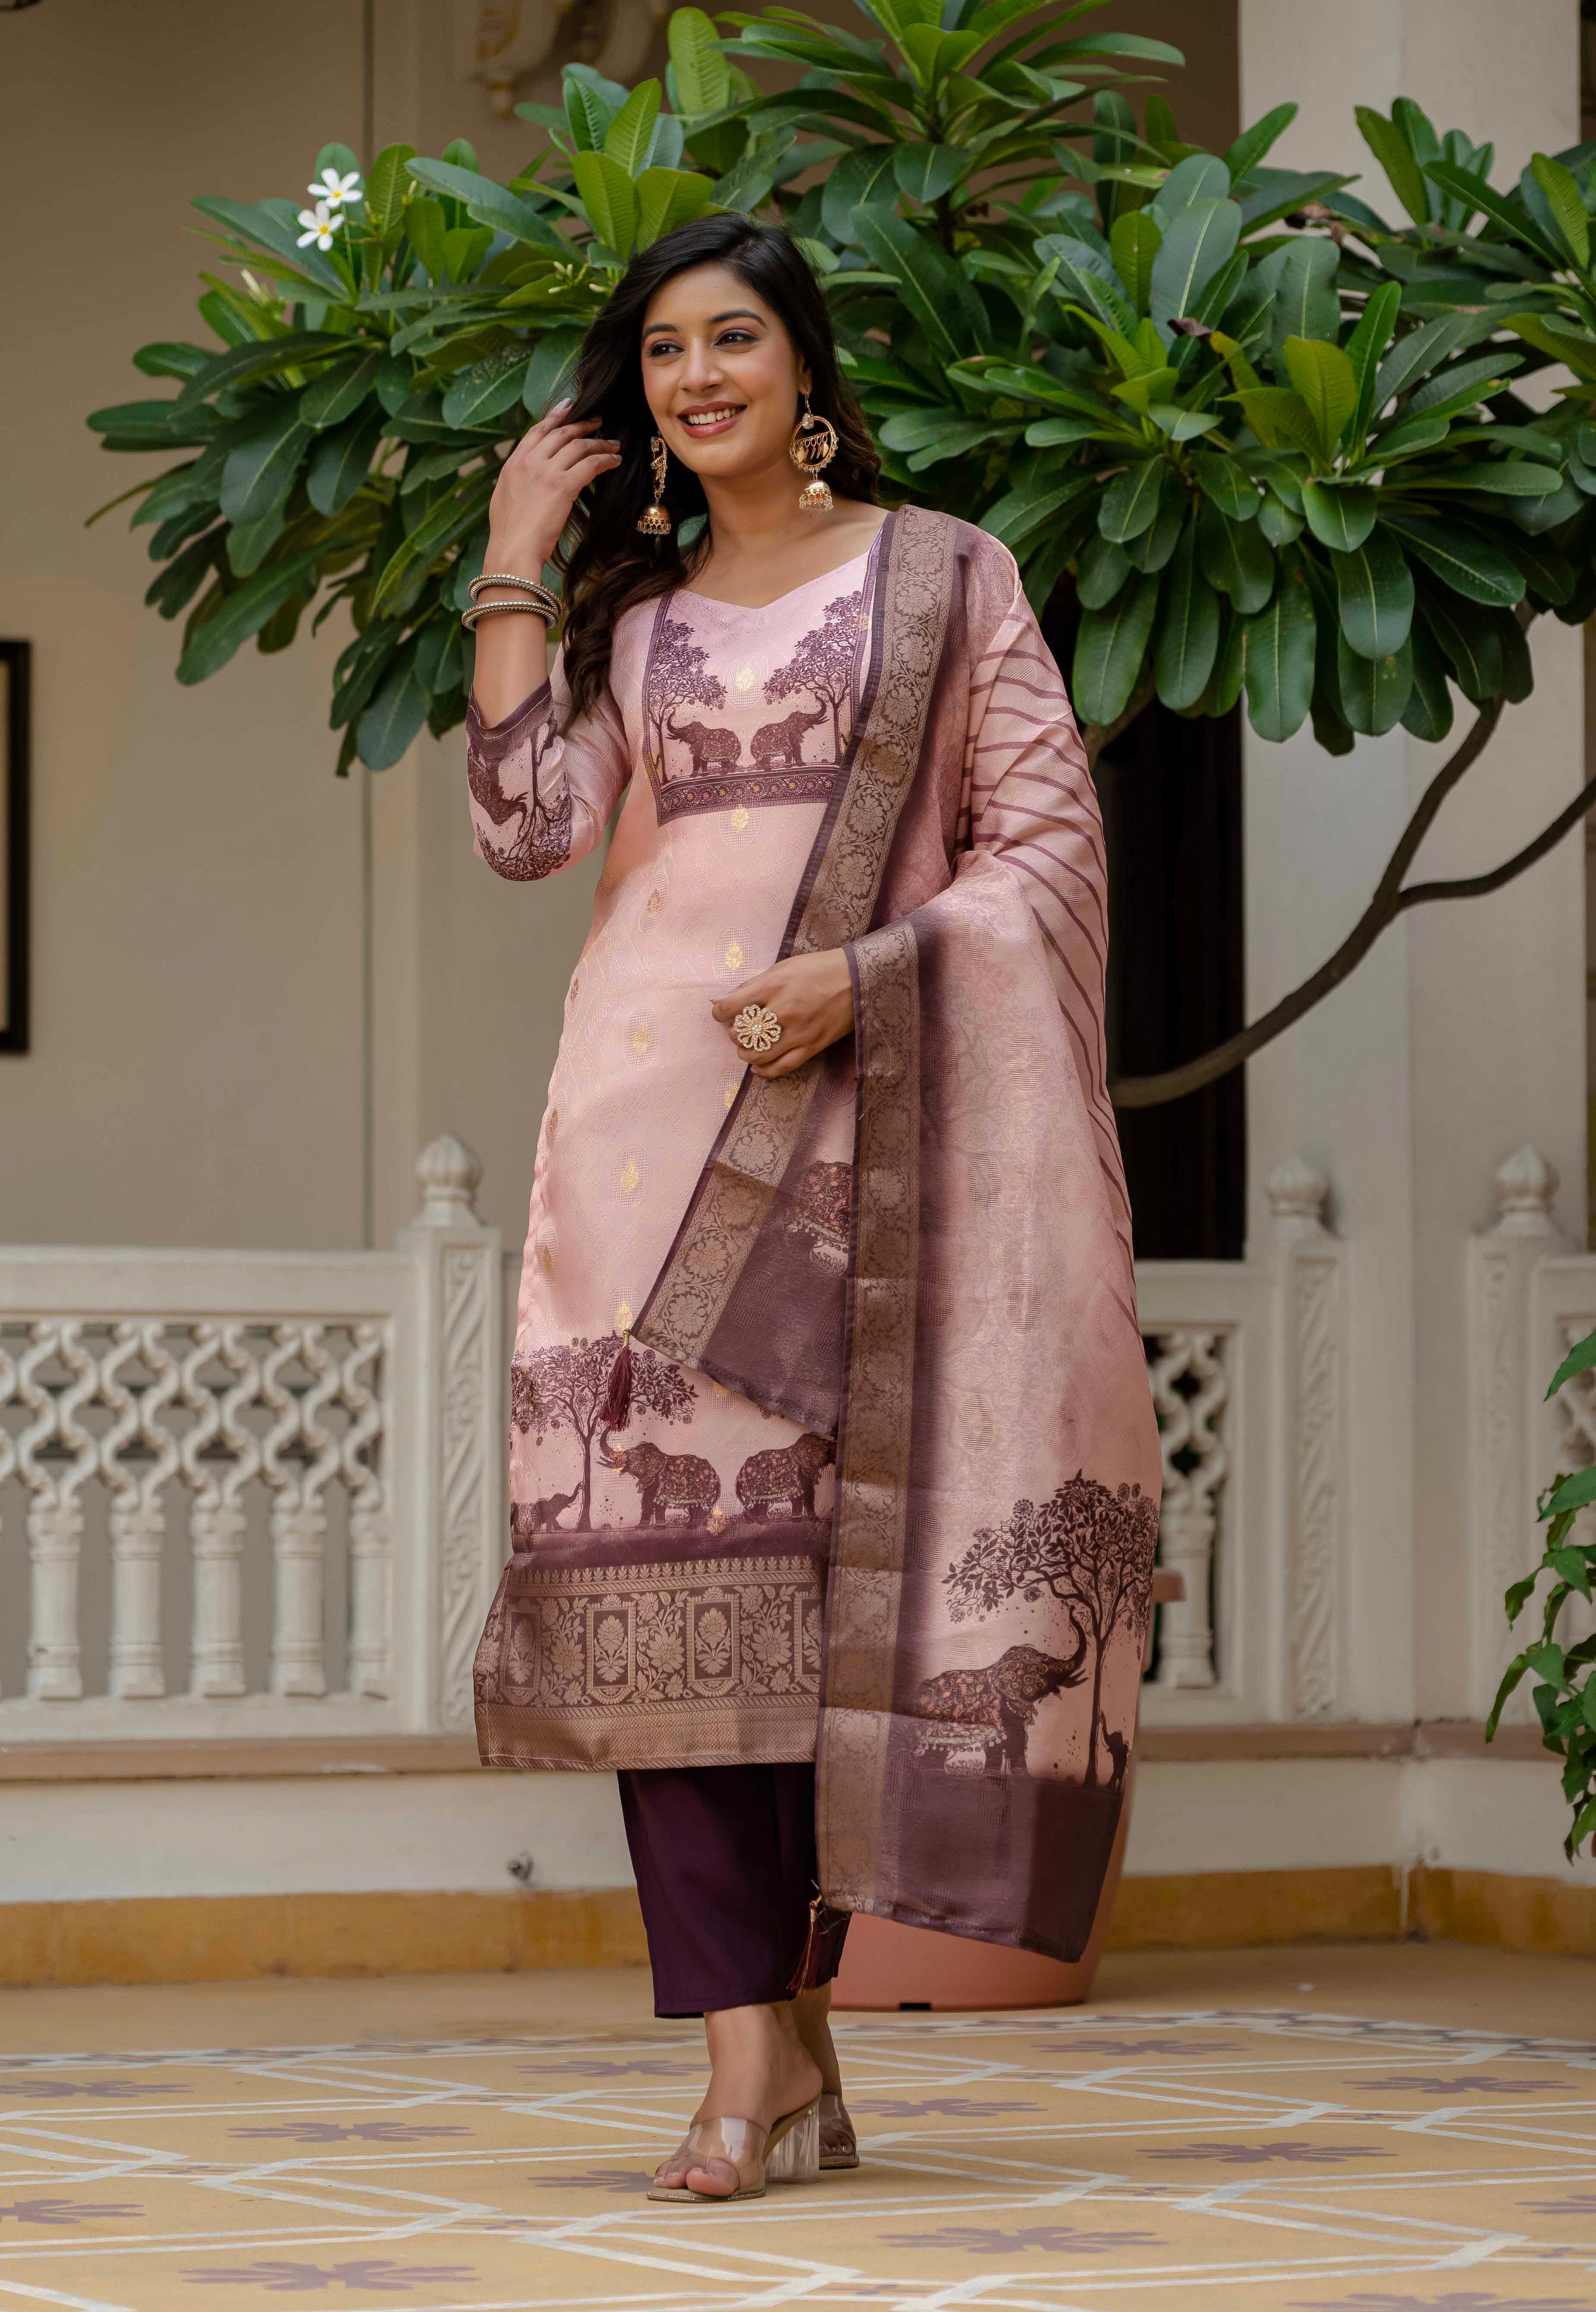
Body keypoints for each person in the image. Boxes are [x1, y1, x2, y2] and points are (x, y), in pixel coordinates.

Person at [464, 215, 1160, 2206]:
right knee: (661, 1613)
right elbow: (526, 832)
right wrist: (519, 553)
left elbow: (1043, 845)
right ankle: (742, 2057)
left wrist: (855, 980)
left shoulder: (944, 581)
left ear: (804, 365)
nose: (697, 377)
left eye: (734, 338)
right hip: (639, 1140)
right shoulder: (633, 620)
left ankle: (793, 2048)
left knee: (821, 1612)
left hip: (878, 1145)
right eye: (662, 352)